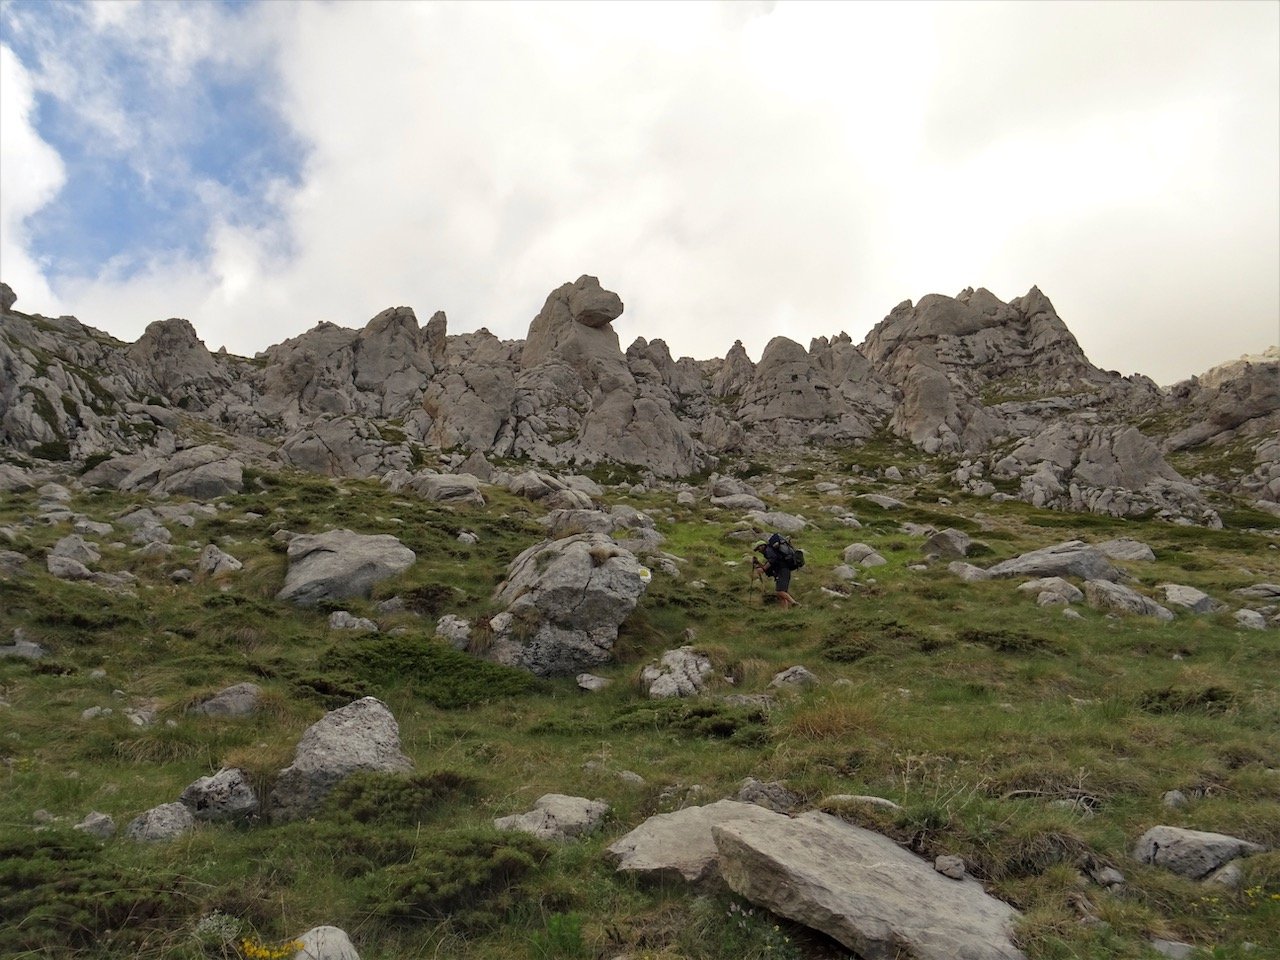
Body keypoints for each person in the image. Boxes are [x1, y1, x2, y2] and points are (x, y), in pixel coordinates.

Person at [753, 537, 799, 609]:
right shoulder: (770, 552)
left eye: (758, 549)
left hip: (782, 571)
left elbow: (772, 560)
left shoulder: (768, 550)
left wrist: (763, 569)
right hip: (783, 571)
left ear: (762, 546)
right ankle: (785, 613)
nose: (758, 551)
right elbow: (770, 566)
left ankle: (794, 603)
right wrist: (758, 564)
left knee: (779, 592)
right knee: (781, 594)